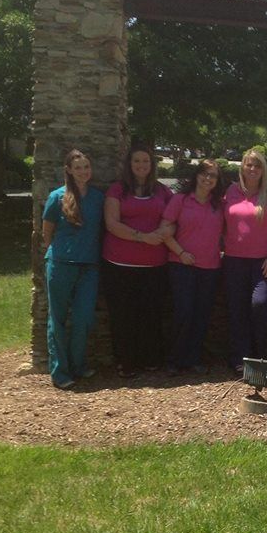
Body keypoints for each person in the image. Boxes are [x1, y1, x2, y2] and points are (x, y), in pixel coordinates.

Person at [102, 143, 172, 378]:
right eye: (136, 161)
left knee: (151, 314)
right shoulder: (117, 190)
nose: (141, 165)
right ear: (129, 165)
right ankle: (126, 362)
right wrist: (144, 237)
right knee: (123, 315)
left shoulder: (163, 191)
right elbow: (112, 223)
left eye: (145, 161)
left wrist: (161, 233)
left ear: (152, 165)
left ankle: (150, 359)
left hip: (155, 265)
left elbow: (173, 218)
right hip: (120, 265)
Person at [41, 149, 104, 389]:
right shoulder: (57, 197)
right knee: (57, 319)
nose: (83, 171)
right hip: (61, 265)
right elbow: (47, 232)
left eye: (86, 167)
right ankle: (60, 371)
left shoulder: (98, 197)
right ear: (68, 170)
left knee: (83, 318)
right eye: (78, 167)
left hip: (89, 266)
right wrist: (57, 254)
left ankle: (78, 365)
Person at [223, 149, 267, 373]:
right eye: (249, 165)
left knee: (259, 304)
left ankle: (259, 356)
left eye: (257, 166)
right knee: (237, 309)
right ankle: (240, 359)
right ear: (242, 167)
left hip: (264, 261)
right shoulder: (231, 192)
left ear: (263, 170)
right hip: (234, 261)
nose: (253, 169)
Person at [159, 160, 224, 374]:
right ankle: (174, 360)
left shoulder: (219, 205)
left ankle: (192, 358)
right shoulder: (180, 200)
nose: (208, 179)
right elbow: (164, 231)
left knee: (202, 314)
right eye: (204, 174)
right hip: (181, 264)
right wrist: (181, 252)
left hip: (210, 266)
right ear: (196, 176)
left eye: (213, 175)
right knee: (184, 311)